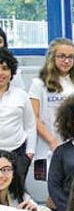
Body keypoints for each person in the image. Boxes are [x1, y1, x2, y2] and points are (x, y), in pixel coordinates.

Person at [29, 39, 74, 201]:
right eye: (61, 56)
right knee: (50, 198)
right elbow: (33, 118)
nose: (66, 61)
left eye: (70, 57)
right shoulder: (39, 84)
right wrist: (52, 141)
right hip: (48, 148)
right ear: (52, 57)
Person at [0, 49, 36, 187]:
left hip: (17, 153)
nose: (1, 73)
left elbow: (30, 125)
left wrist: (29, 153)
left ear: (12, 72)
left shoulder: (21, 95)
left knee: (16, 195)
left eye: (5, 69)